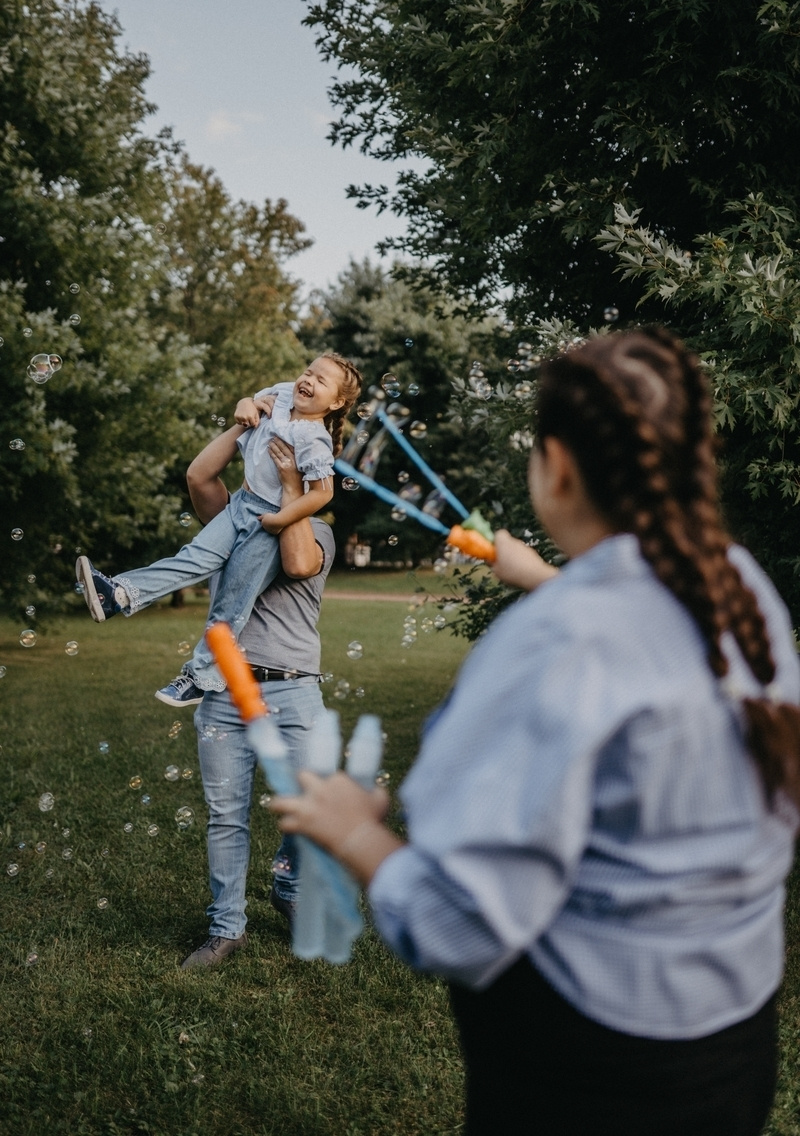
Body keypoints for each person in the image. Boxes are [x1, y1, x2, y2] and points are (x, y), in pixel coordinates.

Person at [272, 326, 800, 1136]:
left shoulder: (559, 642)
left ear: (556, 466)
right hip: (732, 1036)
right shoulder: (734, 585)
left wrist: (355, 836)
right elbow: (640, 647)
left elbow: (460, 926)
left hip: (592, 1066)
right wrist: (552, 580)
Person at [74, 352, 361, 706]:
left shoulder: (314, 441)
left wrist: (281, 519)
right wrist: (247, 405)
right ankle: (118, 594)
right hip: (240, 503)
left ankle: (200, 676)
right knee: (191, 557)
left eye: (321, 380)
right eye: (308, 371)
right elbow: (251, 403)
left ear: (336, 401)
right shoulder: (284, 394)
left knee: (231, 600)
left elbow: (323, 493)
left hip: (267, 520)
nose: (308, 380)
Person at [178, 421, 336, 969]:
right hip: (226, 690)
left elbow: (295, 562)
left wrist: (294, 485)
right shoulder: (233, 522)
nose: (278, 454)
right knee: (226, 816)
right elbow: (199, 474)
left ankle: (288, 890)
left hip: (294, 691)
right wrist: (242, 424)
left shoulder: (319, 532)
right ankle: (227, 928)